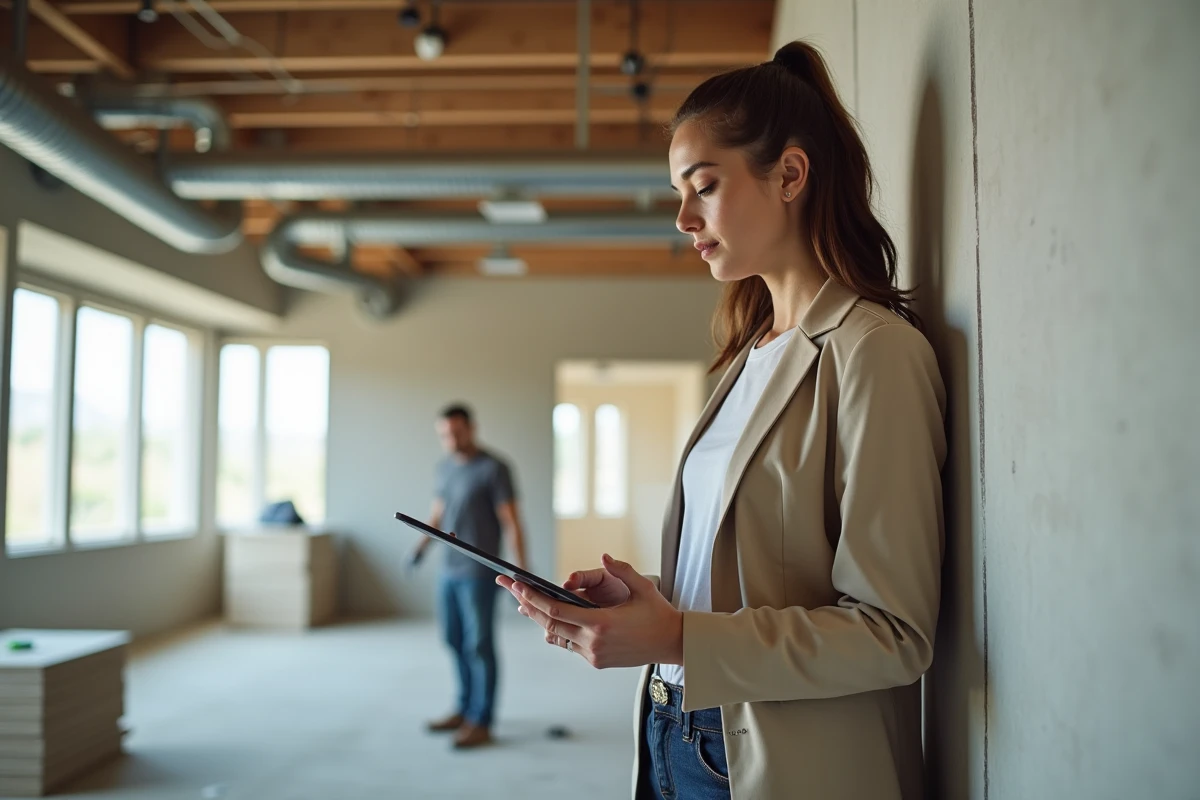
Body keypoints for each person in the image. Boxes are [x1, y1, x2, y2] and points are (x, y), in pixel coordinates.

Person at [498, 40, 947, 800]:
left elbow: (893, 636)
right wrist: (659, 603)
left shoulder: (875, 354)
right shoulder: (749, 357)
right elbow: (754, 573)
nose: (682, 217)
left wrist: (677, 635)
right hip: (673, 728)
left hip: (772, 757)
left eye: (703, 186)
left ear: (790, 175)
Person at [410, 404, 527, 750]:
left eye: (457, 432)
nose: (451, 439)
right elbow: (437, 514)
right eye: (445, 433)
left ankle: (482, 720)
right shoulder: (444, 468)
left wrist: (521, 572)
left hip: (479, 572)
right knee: (454, 639)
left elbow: (512, 522)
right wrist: (419, 549)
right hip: (448, 570)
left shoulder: (494, 468)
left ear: (472, 428)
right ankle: (463, 708)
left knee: (480, 644)